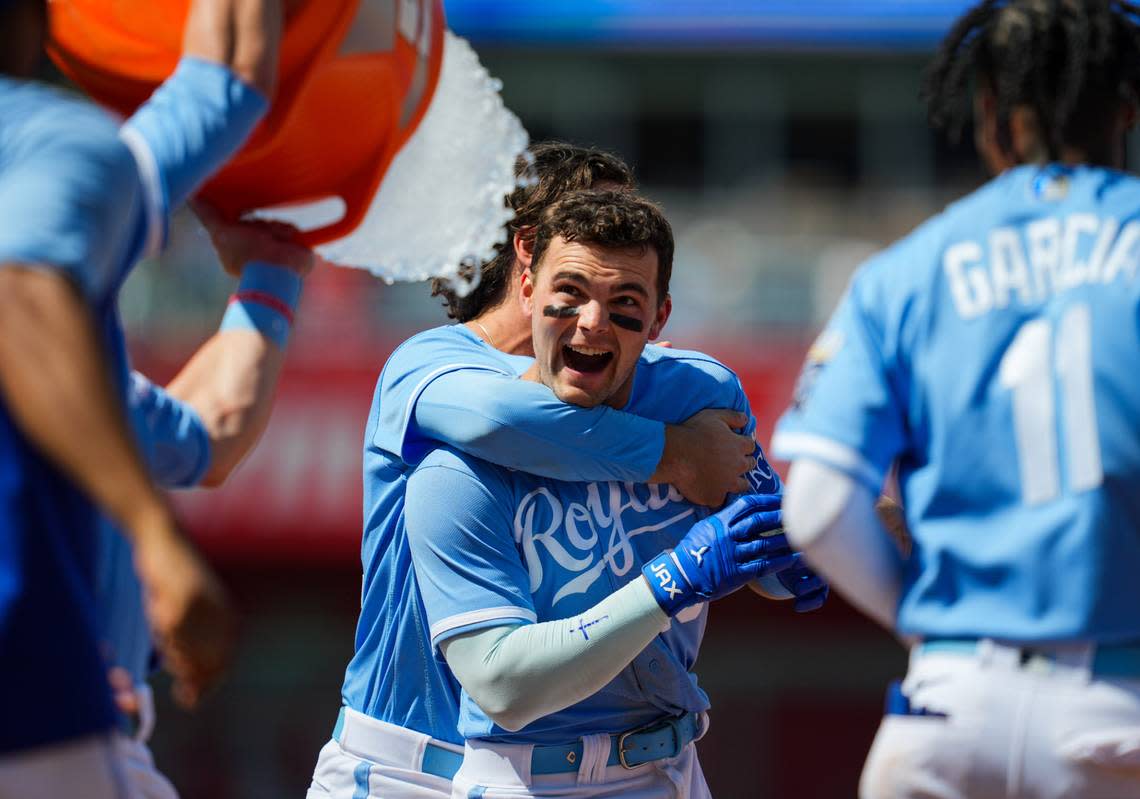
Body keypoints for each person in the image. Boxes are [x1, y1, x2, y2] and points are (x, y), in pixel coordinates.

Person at [306, 144, 817, 799]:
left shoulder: (660, 383)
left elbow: (756, 535)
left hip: (625, 760)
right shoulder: (432, 365)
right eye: (593, 212)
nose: (614, 227)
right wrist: (679, 453)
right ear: (529, 252)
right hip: (407, 761)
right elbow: (500, 416)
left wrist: (817, 533)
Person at [772, 2, 1140, 797]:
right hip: (1119, 708)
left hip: (948, 711)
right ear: (1126, 106)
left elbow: (817, 509)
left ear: (988, 116)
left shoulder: (902, 270)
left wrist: (935, 625)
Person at [0, 0, 281, 793]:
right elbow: (23, 293)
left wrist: (271, 263)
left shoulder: (73, 172)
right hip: (37, 709)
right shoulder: (50, 145)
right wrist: (155, 533)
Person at [102, 203, 315, 799]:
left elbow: (197, 422)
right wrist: (274, 265)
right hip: (56, 744)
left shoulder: (62, 378)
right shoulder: (49, 366)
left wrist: (271, 269)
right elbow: (216, 428)